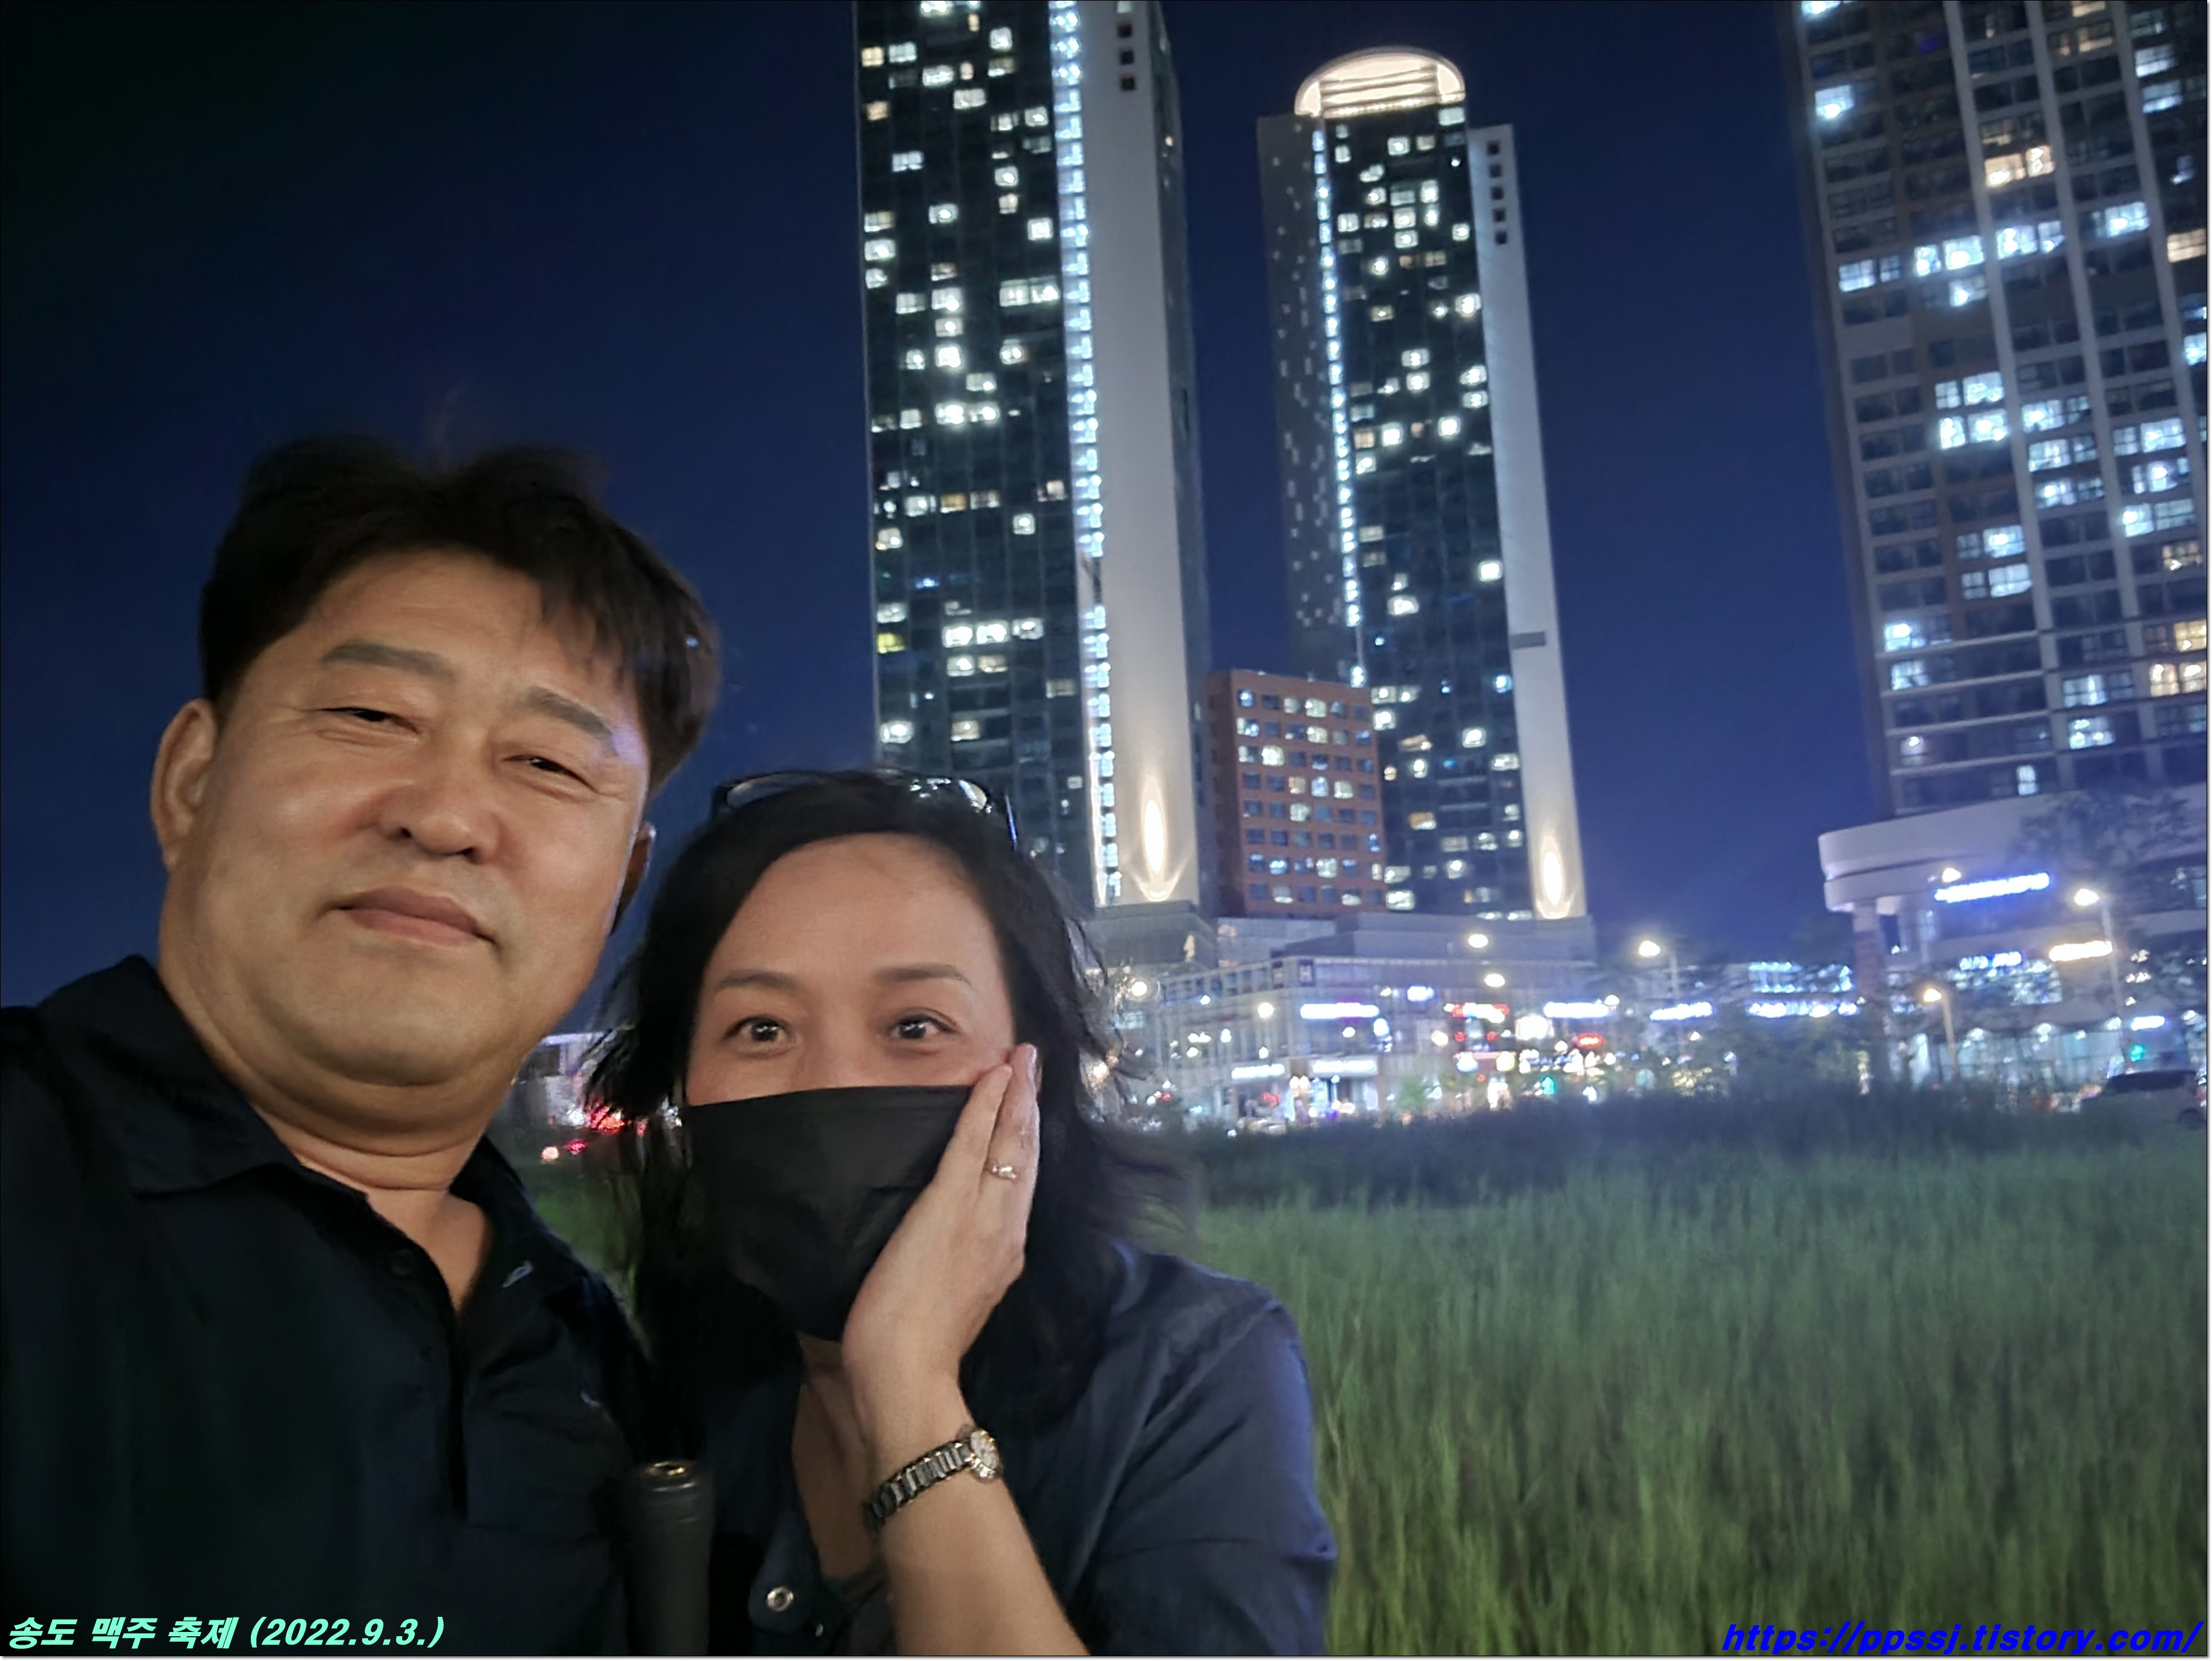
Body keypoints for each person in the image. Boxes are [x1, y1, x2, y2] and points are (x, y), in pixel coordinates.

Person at [1, 438, 717, 1651]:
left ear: (622, 886)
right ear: (191, 779)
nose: (445, 815)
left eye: (547, 763)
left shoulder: (589, 1352)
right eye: (372, 715)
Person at [590, 771, 1336, 1654]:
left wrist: (906, 1387)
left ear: (1034, 1073)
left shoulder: (1190, 1369)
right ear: (681, 1085)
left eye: (915, 1026)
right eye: (761, 1029)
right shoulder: (669, 1383)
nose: (835, 1081)